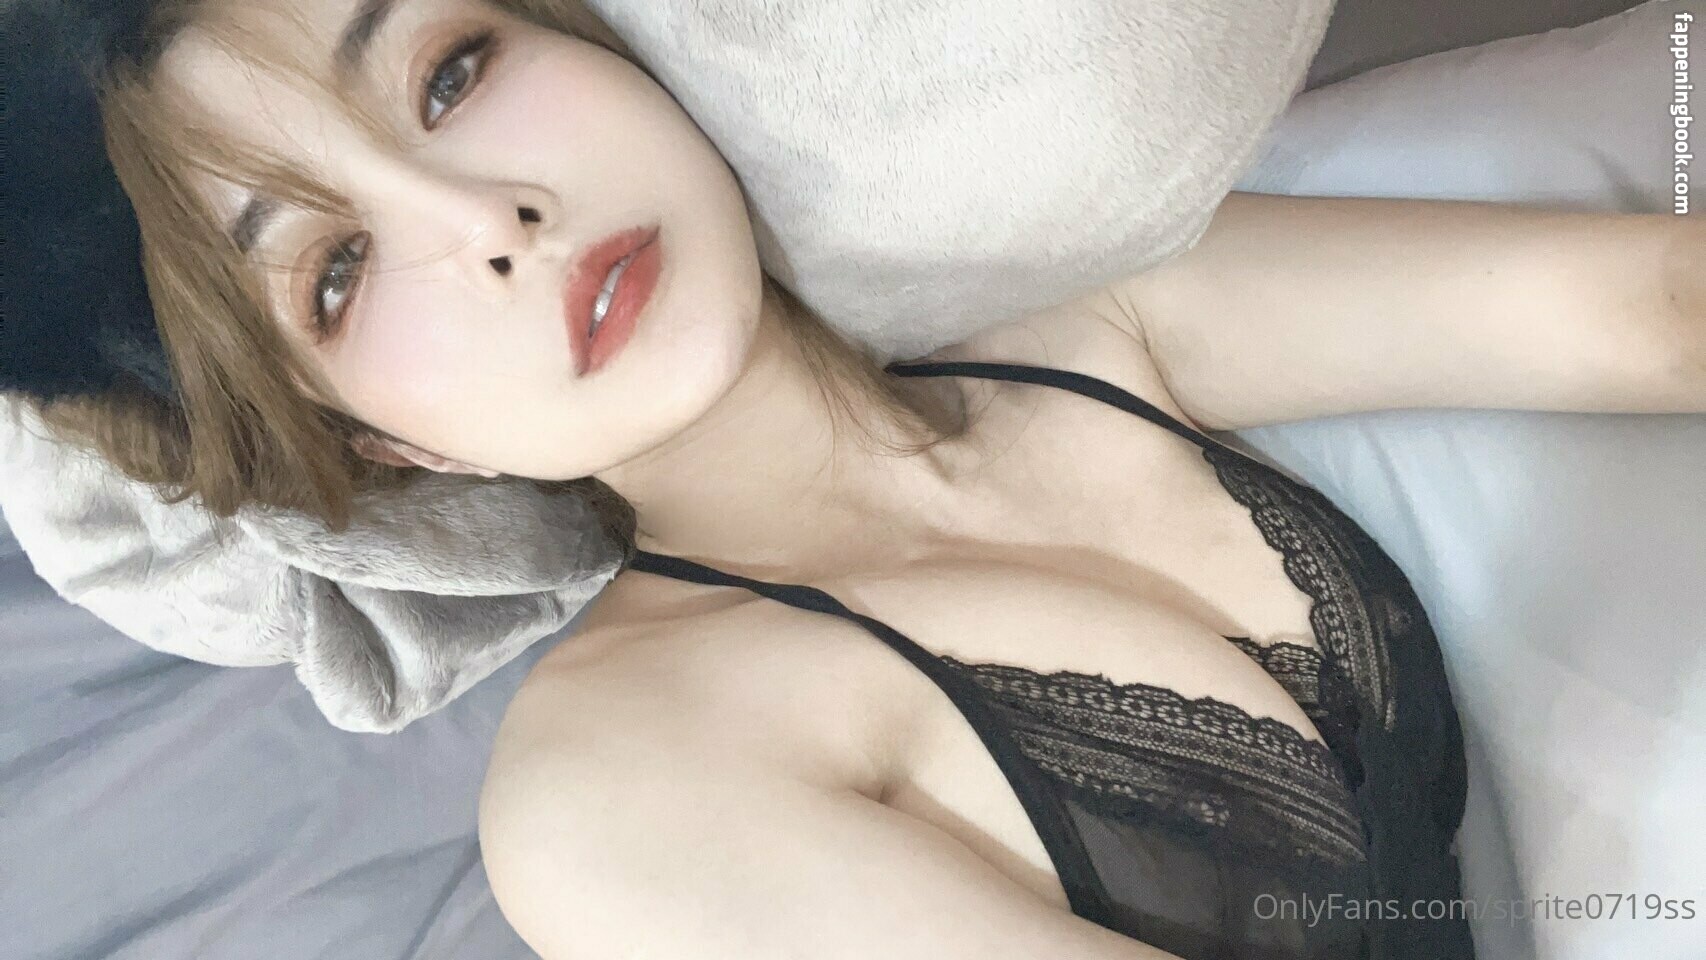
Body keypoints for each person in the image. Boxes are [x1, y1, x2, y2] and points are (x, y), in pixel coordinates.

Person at [3, 1, 1698, 958]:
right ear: (388, 449)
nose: (489, 219)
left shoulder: (1086, 318)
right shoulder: (623, 782)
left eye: (451, 73)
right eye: (337, 274)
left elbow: (1653, 309)